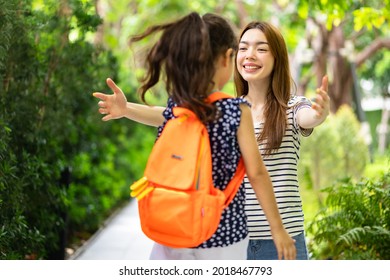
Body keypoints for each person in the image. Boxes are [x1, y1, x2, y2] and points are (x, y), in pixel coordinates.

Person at [93, 12, 296, 260]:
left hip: (172, 225)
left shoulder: (180, 106)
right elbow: (257, 173)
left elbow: (159, 114)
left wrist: (125, 110)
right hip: (223, 235)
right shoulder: (235, 111)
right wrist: (278, 229)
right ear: (227, 58)